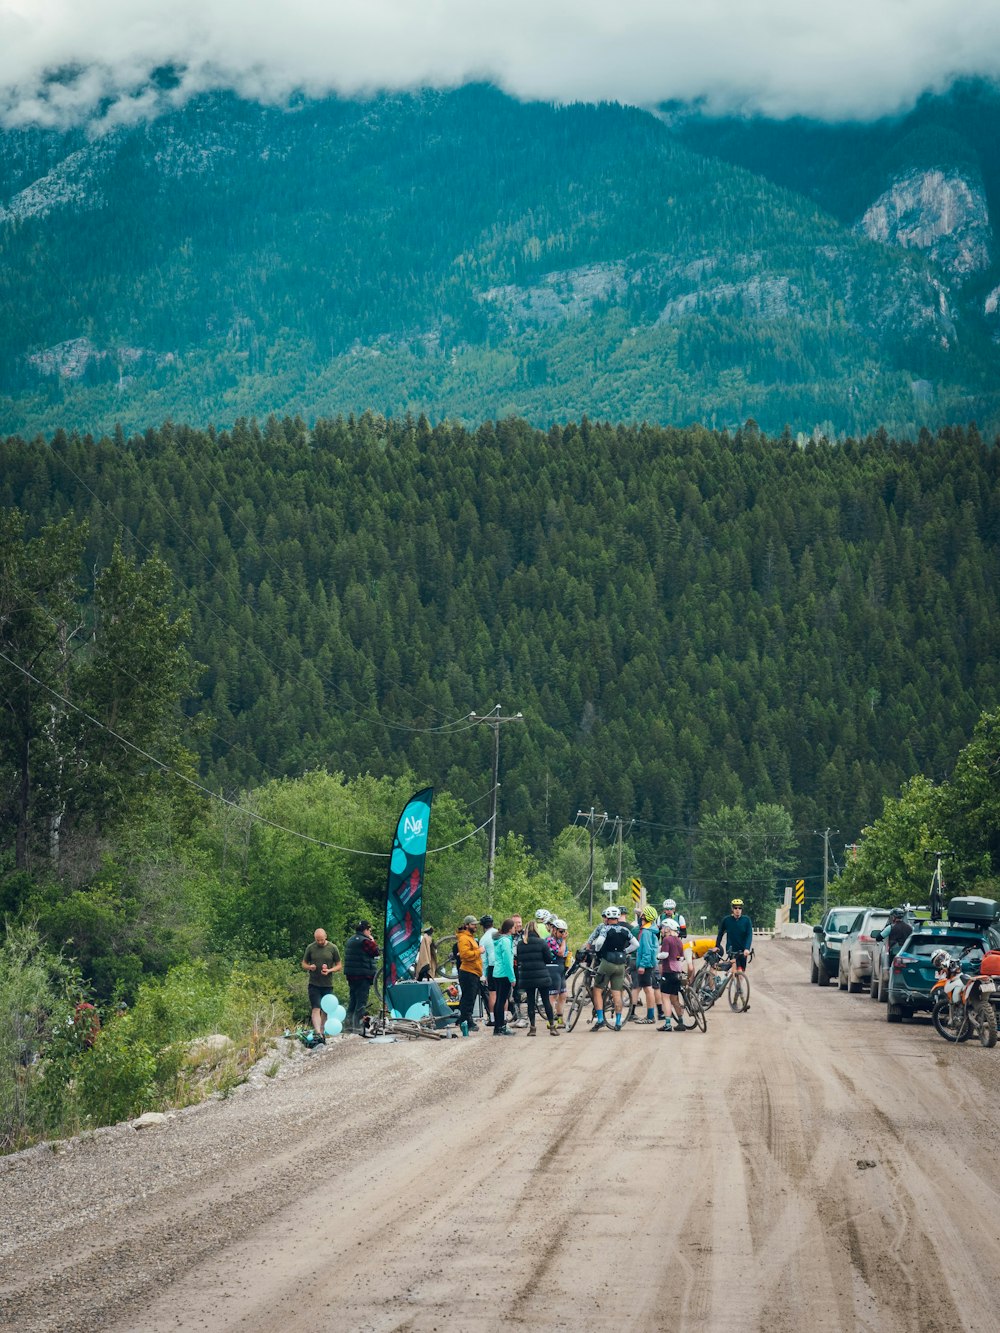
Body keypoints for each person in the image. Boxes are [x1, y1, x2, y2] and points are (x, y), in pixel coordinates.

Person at [591, 906, 638, 1031]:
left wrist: (597, 950)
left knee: (597, 990)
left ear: (607, 917)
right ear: (618, 917)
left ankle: (600, 1019)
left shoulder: (606, 929)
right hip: (621, 964)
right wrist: (626, 951)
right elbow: (636, 944)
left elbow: (599, 942)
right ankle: (618, 1022)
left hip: (607, 963)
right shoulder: (625, 930)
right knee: (617, 993)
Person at [517, 920, 561, 1035]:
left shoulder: (521, 943)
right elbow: (548, 959)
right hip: (542, 975)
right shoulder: (542, 942)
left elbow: (519, 959)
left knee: (530, 1001)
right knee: (546, 1001)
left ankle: (532, 1028)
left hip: (527, 976)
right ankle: (552, 1026)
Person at [302, 928, 342, 1041]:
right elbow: (303, 963)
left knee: (325, 1010)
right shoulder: (310, 947)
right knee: (316, 1008)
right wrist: (310, 967)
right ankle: (318, 1033)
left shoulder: (333, 948)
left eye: (321, 940)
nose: (319, 942)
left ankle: (322, 1031)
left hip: (327, 984)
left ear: (326, 937)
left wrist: (329, 970)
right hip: (314, 983)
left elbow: (339, 965)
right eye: (317, 940)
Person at [343, 921, 379, 1033]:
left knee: (353, 1000)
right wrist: (373, 940)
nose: (370, 932)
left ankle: (347, 1026)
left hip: (351, 975)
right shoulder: (365, 941)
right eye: (369, 930)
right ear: (365, 930)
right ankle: (357, 1027)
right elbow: (376, 951)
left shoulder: (350, 940)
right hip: (363, 975)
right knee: (361, 1002)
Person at [657, 918, 687, 1031]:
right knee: (675, 998)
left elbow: (665, 954)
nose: (662, 930)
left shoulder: (667, 940)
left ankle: (668, 1024)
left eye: (663, 928)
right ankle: (681, 1022)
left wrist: (657, 956)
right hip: (677, 971)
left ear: (668, 928)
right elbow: (682, 957)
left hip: (668, 971)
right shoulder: (679, 940)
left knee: (665, 998)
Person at [632, 906, 660, 1024]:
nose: (640, 916)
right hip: (649, 963)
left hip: (646, 964)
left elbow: (647, 950)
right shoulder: (650, 929)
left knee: (648, 989)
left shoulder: (646, 932)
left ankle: (650, 1016)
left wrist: (642, 965)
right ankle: (650, 1016)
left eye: (642, 914)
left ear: (645, 917)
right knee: (648, 988)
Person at [456, 916, 483, 1032]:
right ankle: (468, 1021)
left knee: (469, 997)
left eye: (476, 924)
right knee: (469, 998)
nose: (475, 926)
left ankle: (463, 1020)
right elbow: (465, 955)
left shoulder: (469, 937)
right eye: (473, 924)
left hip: (473, 971)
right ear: (467, 925)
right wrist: (479, 951)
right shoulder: (463, 938)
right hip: (468, 972)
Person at [491, 918, 517, 1036]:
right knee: (501, 1001)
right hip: (504, 973)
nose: (515, 929)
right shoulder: (506, 941)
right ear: (510, 928)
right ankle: (501, 1026)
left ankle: (497, 1026)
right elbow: (507, 960)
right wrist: (512, 978)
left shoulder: (499, 939)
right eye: (514, 927)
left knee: (499, 1001)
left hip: (497, 972)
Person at [716, 898, 753, 972]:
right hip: (731, 949)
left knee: (742, 972)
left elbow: (749, 935)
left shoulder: (746, 920)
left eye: (740, 908)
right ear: (732, 909)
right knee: (736, 969)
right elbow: (720, 934)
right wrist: (717, 946)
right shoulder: (727, 920)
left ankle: (736, 981)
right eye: (735, 908)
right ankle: (732, 977)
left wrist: (747, 948)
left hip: (742, 950)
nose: (737, 910)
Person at [547, 917, 569, 1026]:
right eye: (561, 931)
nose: (562, 934)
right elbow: (560, 952)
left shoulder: (560, 940)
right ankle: (550, 1020)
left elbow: (565, 953)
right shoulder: (550, 940)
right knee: (553, 995)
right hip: (552, 967)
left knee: (563, 994)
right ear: (554, 930)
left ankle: (560, 1018)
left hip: (560, 968)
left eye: (564, 931)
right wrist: (564, 941)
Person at [480, 914, 498, 1025]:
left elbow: (483, 959)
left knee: (492, 994)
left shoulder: (483, 939)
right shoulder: (499, 934)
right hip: (502, 966)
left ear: (483, 926)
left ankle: (492, 1019)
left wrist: (484, 974)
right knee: (503, 994)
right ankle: (504, 1017)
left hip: (491, 967)